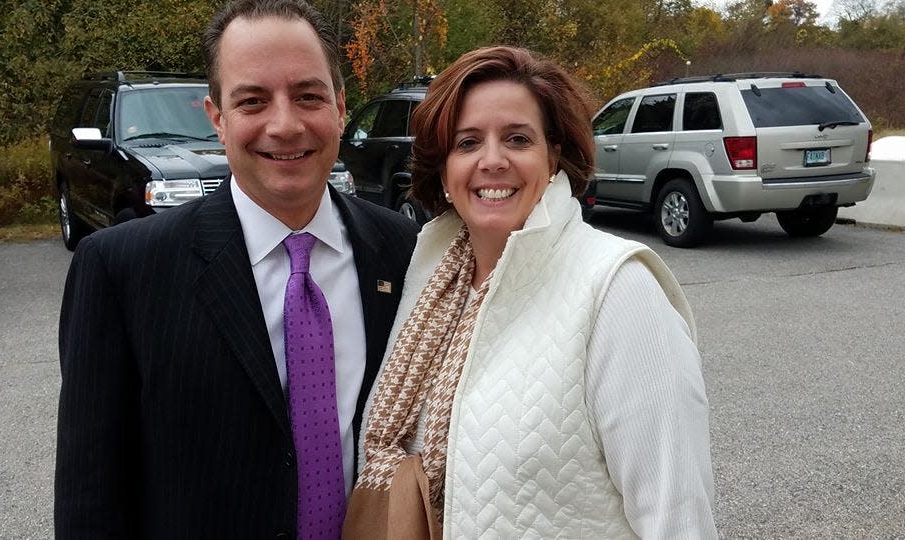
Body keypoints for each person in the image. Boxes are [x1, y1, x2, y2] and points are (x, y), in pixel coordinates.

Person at [54, 0, 419, 537]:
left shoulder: (404, 251)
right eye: (252, 101)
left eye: (308, 96)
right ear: (218, 119)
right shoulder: (122, 270)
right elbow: (91, 496)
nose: (285, 124)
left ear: (341, 108)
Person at [345, 46, 717, 538]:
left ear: (554, 153)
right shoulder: (430, 280)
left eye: (517, 139)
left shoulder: (618, 290)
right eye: (467, 142)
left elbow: (677, 519)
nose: (492, 161)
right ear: (444, 166)